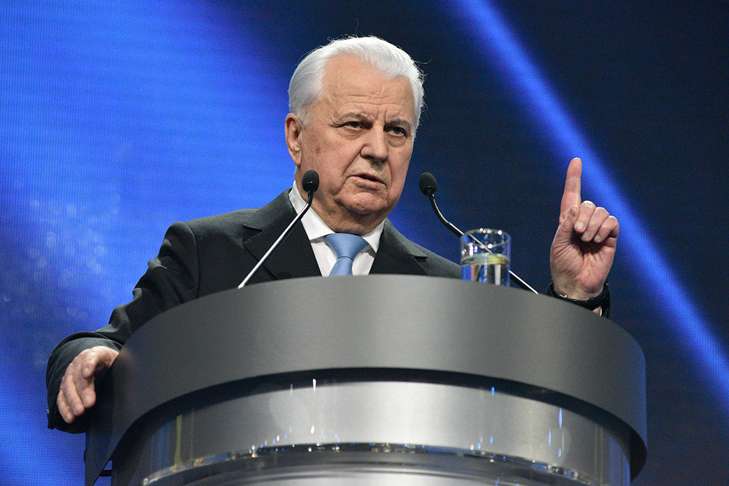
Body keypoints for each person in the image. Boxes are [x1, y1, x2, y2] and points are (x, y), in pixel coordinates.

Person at [46, 36, 619, 432]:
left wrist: (575, 295)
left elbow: (532, 400)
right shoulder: (211, 252)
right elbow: (105, 347)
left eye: (397, 131)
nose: (377, 149)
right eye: (355, 124)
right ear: (296, 137)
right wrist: (91, 360)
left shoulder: (448, 287)